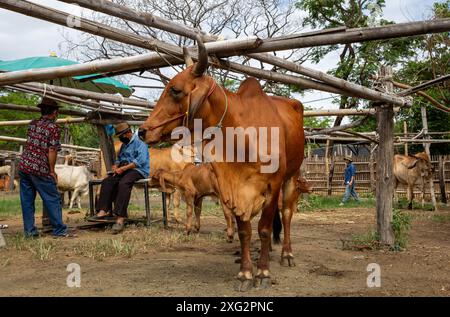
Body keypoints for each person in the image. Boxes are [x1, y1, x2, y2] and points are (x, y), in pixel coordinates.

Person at [18, 98, 74, 238]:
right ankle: (59, 230)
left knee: (27, 200)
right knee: (53, 198)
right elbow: (52, 150)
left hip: (24, 166)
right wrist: (51, 171)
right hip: (40, 168)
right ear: (55, 113)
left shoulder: (32, 124)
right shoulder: (53, 128)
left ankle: (29, 232)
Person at [91, 123, 149, 234]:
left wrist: (123, 169)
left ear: (128, 133)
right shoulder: (124, 145)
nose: (120, 139)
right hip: (125, 169)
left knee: (124, 183)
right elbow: (120, 159)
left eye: (121, 136)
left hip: (138, 170)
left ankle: (120, 218)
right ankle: (103, 210)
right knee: (108, 181)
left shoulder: (140, 144)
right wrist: (116, 166)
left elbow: (139, 162)